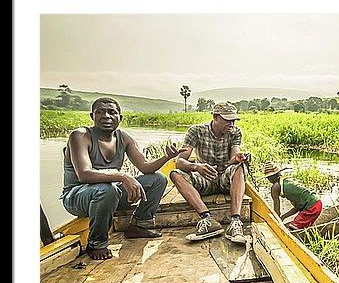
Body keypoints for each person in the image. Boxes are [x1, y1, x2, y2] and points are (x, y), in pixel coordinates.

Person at [61, 97, 184, 260]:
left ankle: (139, 225)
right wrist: (123, 175)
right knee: (107, 189)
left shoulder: (124, 138)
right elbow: (84, 174)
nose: (106, 116)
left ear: (120, 117)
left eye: (112, 112)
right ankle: (96, 243)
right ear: (92, 116)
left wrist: (166, 157)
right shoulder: (80, 136)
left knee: (158, 179)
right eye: (100, 112)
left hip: (110, 195)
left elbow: (145, 167)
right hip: (77, 197)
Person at [170, 101, 249, 244]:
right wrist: (197, 167)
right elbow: (180, 161)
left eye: (233, 120)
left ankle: (235, 223)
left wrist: (238, 158)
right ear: (215, 117)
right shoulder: (196, 131)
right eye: (227, 120)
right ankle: (207, 220)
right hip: (204, 179)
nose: (231, 124)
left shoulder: (235, 132)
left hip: (225, 180)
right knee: (175, 174)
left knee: (239, 167)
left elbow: (233, 158)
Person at [262, 162, 323, 230]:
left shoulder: (275, 187)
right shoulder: (287, 180)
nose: (268, 180)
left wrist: (275, 223)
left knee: (292, 228)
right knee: (297, 225)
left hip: (312, 207)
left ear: (271, 177)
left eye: (268, 178)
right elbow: (297, 207)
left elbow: (277, 210)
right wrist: (283, 217)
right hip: (317, 203)